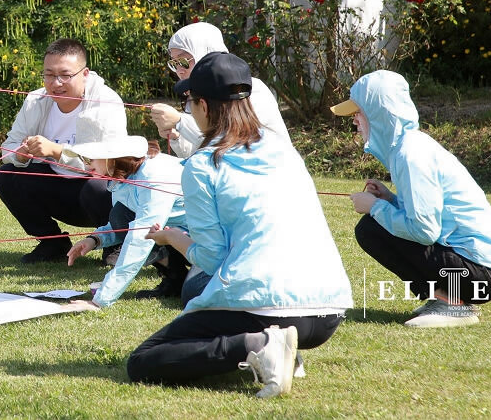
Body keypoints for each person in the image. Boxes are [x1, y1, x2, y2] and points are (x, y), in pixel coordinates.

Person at [127, 53, 351, 399]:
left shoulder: (202, 165)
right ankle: (279, 347)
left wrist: (173, 238)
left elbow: (211, 259)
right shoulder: (284, 150)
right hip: (328, 313)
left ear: (202, 104)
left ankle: (261, 345)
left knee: (143, 360)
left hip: (264, 306)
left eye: (189, 102)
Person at [333, 70, 491, 327]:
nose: (354, 120)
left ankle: (452, 303)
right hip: (483, 270)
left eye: (358, 112)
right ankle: (444, 297)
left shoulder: (410, 155)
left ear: (378, 114)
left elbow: (424, 230)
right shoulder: (410, 147)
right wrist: (390, 199)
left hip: (480, 274)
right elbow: (428, 214)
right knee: (373, 226)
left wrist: (375, 207)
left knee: (370, 229)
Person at [0, 38, 127, 263]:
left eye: (65, 75)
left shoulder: (106, 102)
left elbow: (107, 164)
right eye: (49, 75)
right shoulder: (35, 101)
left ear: (85, 74)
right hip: (58, 187)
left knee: (97, 186)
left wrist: (56, 151)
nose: (56, 83)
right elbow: (8, 146)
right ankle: (53, 243)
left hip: (98, 194)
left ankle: (116, 243)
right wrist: (21, 154)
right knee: (7, 176)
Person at [66, 133, 188, 305]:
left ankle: (189, 276)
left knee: (195, 290)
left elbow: (140, 238)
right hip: (177, 234)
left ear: (111, 158)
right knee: (120, 215)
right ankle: (177, 277)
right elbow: (123, 223)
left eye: (89, 159)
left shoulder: (152, 176)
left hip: (205, 242)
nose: (86, 165)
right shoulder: (122, 178)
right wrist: (95, 239)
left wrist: (101, 299)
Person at [149, 22, 288, 159]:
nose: (179, 70)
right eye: (174, 63)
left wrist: (180, 122)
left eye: (184, 61)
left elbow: (232, 144)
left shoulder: (248, 89)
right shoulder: (196, 94)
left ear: (205, 54)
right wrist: (177, 137)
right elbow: (202, 153)